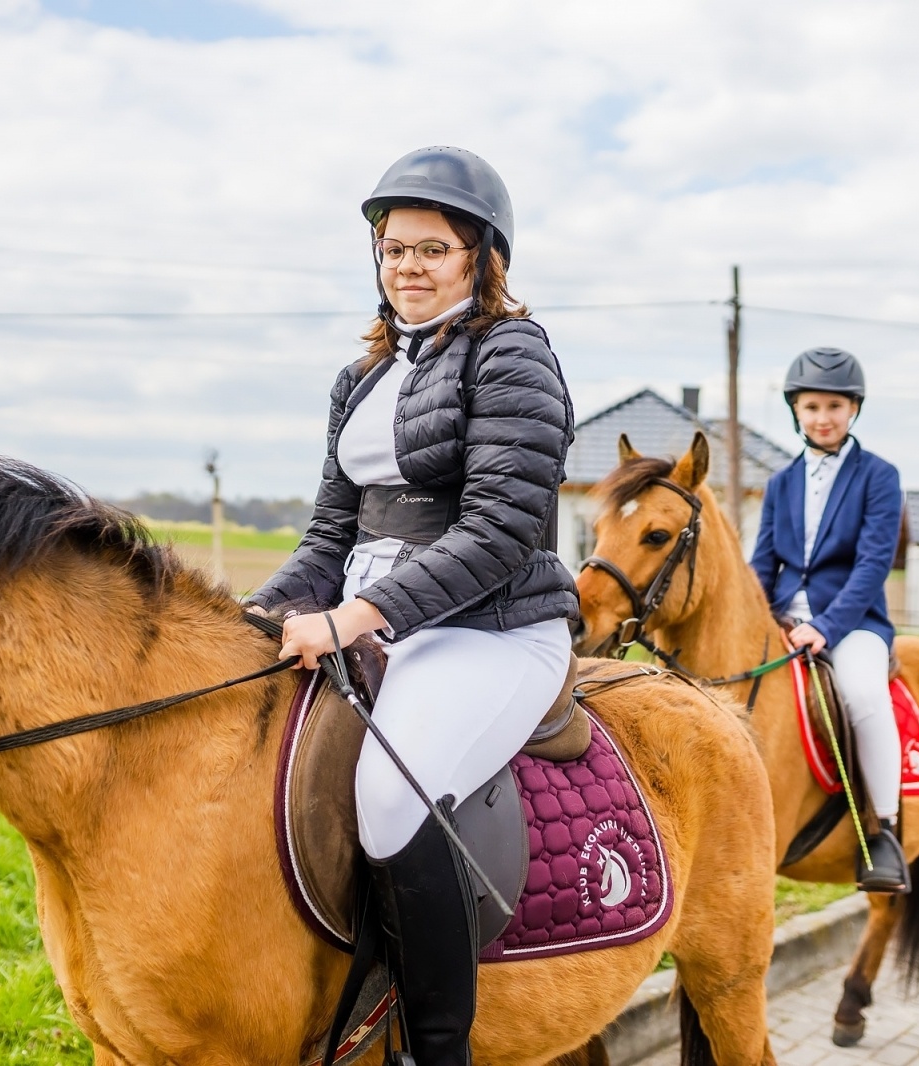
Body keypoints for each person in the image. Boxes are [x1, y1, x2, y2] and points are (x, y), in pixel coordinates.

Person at [243, 146, 577, 1065]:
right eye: (394, 250)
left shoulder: (514, 355)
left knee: (392, 800)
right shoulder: (359, 380)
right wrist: (252, 616)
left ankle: (437, 1046)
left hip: (494, 627)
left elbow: (503, 531)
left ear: (482, 260)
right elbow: (326, 539)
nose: (409, 268)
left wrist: (355, 618)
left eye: (433, 250)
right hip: (381, 623)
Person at [751, 347, 910, 893]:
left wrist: (827, 626)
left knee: (865, 696)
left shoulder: (879, 477)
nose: (823, 417)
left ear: (854, 410)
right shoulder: (780, 484)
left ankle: (885, 828)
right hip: (781, 621)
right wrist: (754, 616)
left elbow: (873, 565)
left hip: (852, 622)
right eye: (812, 406)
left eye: (835, 407)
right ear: (796, 409)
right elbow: (763, 562)